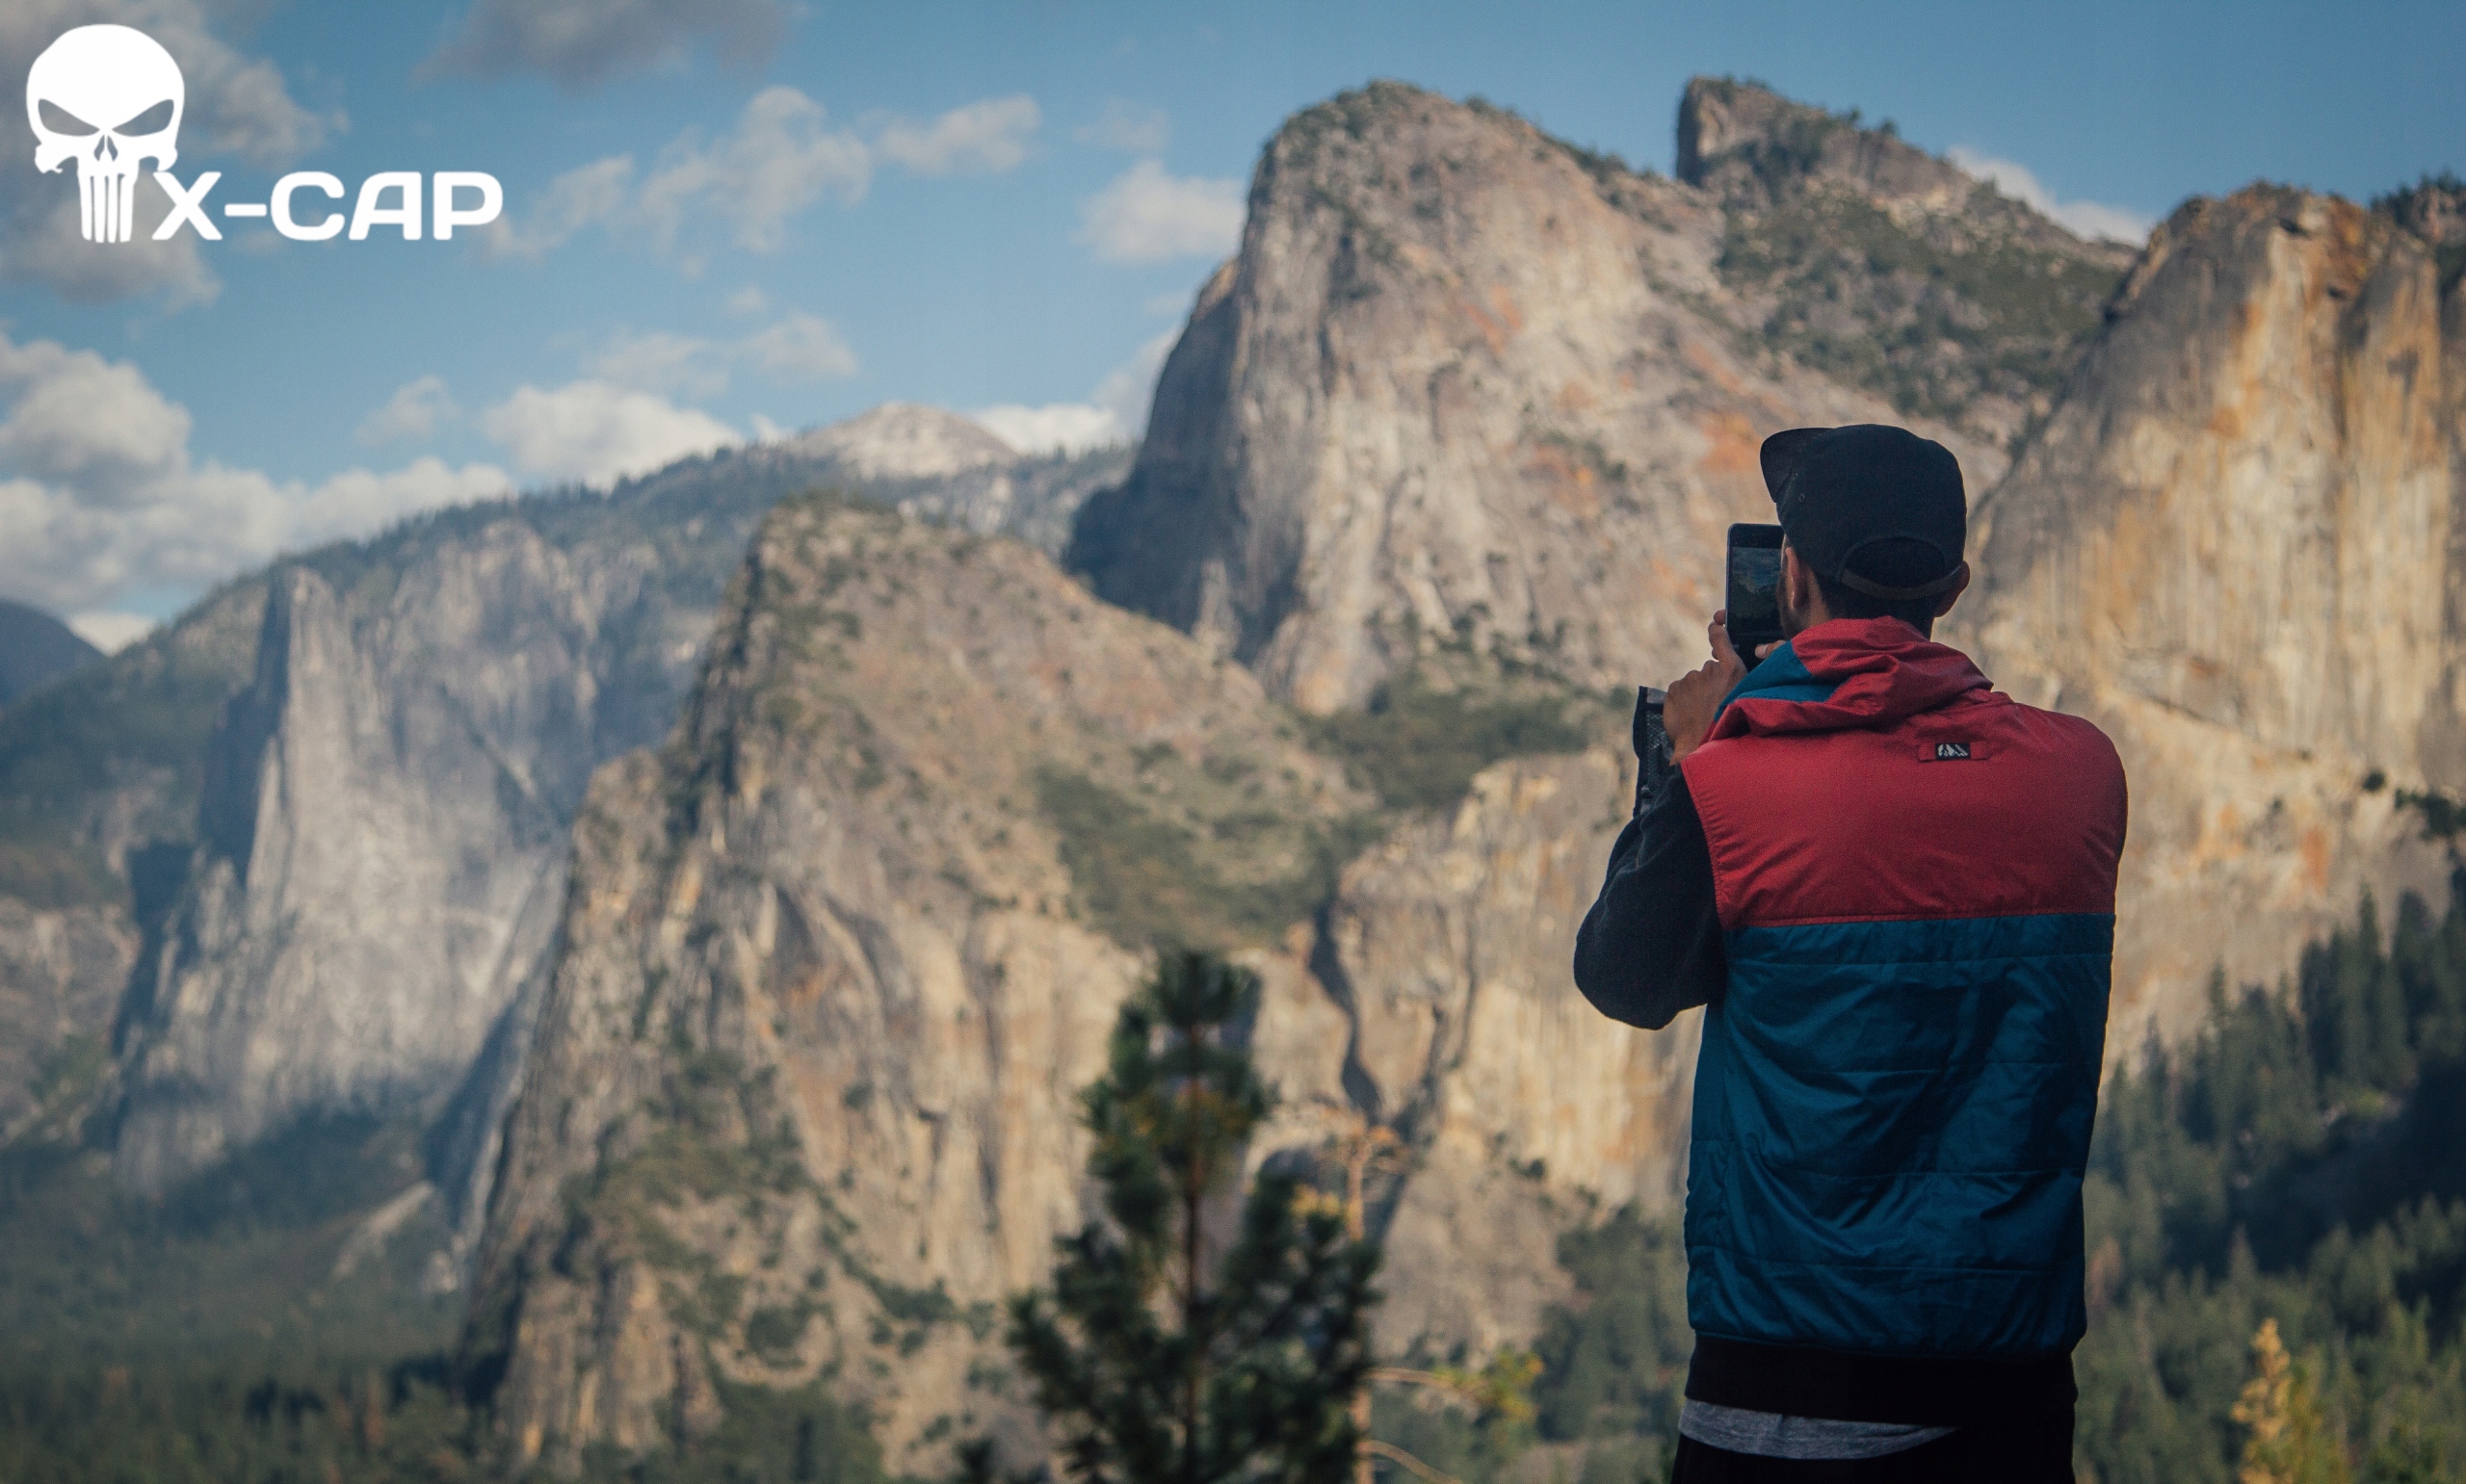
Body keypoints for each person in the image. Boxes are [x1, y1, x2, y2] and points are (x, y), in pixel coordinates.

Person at [1572, 425, 2128, 1481]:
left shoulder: (1735, 783)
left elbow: (1628, 978)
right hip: (2013, 1397)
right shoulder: (2081, 773)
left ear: (1787, 576)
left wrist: (1692, 757)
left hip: (1784, 1398)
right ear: (1952, 585)